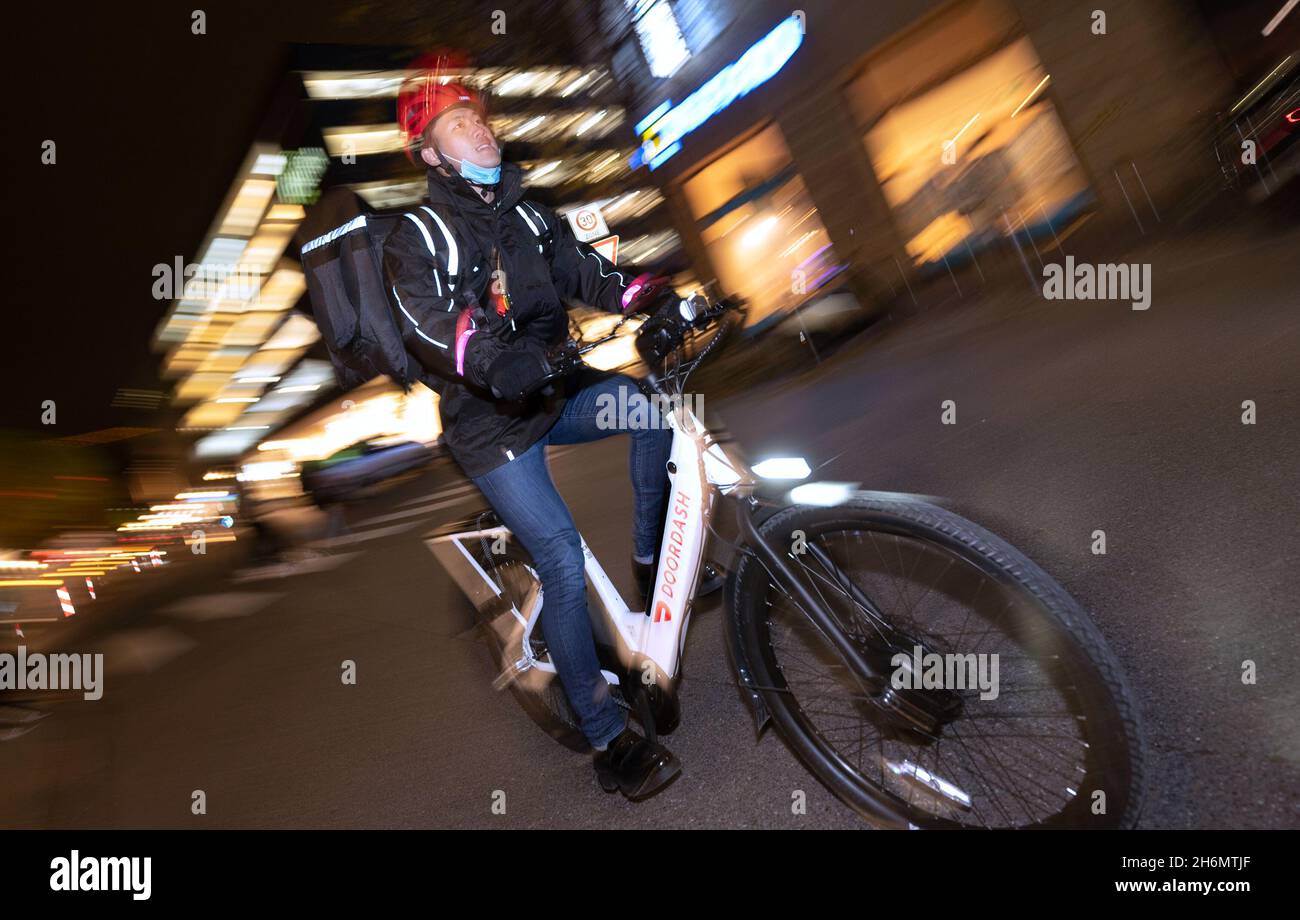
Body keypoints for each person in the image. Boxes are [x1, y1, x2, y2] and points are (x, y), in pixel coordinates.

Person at [384, 71, 691, 801]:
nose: (480, 130)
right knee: (557, 551)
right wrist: (493, 359)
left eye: (479, 118)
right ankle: (603, 734)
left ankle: (650, 567)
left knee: (649, 413)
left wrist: (647, 294)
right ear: (430, 154)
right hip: (491, 424)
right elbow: (430, 323)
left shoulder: (526, 215)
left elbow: (584, 272)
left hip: (554, 391)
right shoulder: (419, 235)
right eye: (458, 125)